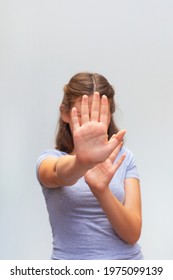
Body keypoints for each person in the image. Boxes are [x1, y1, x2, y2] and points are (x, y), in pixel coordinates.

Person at [36, 72, 143, 260]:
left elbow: (132, 234)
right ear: (65, 113)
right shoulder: (48, 160)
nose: (93, 122)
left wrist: (101, 190)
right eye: (83, 113)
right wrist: (82, 162)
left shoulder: (124, 158)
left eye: (101, 114)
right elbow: (60, 173)